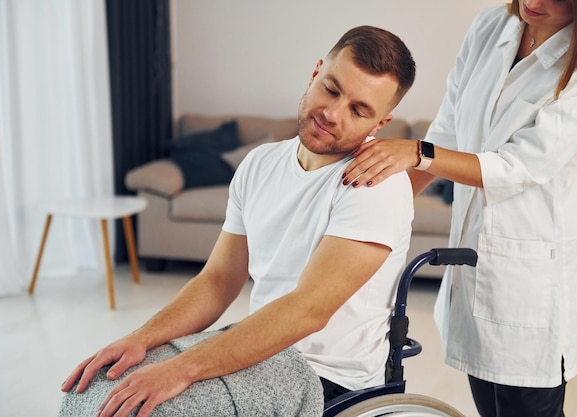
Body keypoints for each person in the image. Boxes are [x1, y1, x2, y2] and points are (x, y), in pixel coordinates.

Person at [60, 25, 416, 417]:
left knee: (151, 410)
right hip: (258, 350)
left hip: (324, 377)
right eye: (331, 89)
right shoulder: (260, 163)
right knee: (93, 389)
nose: (332, 114)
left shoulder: (375, 183)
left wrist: (180, 369)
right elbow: (218, 280)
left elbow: (308, 310)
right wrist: (142, 339)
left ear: (379, 125)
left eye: (358, 110)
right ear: (315, 73)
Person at [342, 1, 577, 417]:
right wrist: (378, 208)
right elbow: (450, 126)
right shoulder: (493, 25)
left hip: (534, 284)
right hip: (477, 267)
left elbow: (517, 166)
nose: (532, 2)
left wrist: (417, 152)